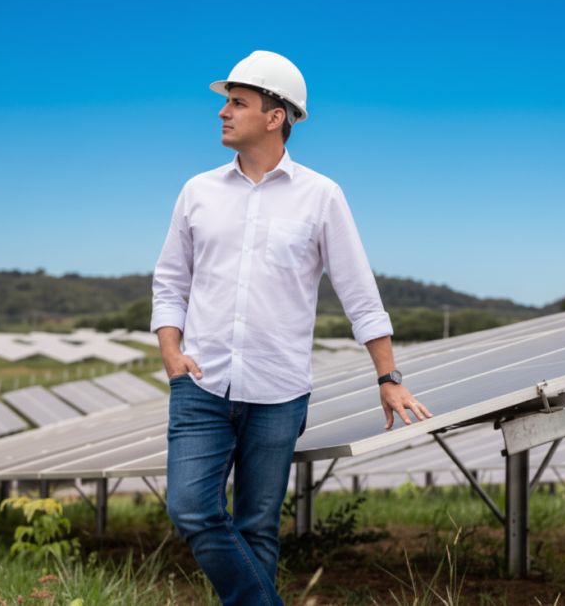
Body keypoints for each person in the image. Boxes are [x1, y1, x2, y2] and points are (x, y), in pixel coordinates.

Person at [151, 50, 432, 605]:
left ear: (275, 116)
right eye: (226, 103)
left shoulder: (321, 195)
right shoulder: (197, 192)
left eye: (237, 103)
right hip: (201, 384)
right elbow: (169, 280)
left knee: (257, 526)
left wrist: (389, 375)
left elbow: (359, 292)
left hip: (279, 392)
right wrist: (171, 352)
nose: (223, 113)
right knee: (189, 508)